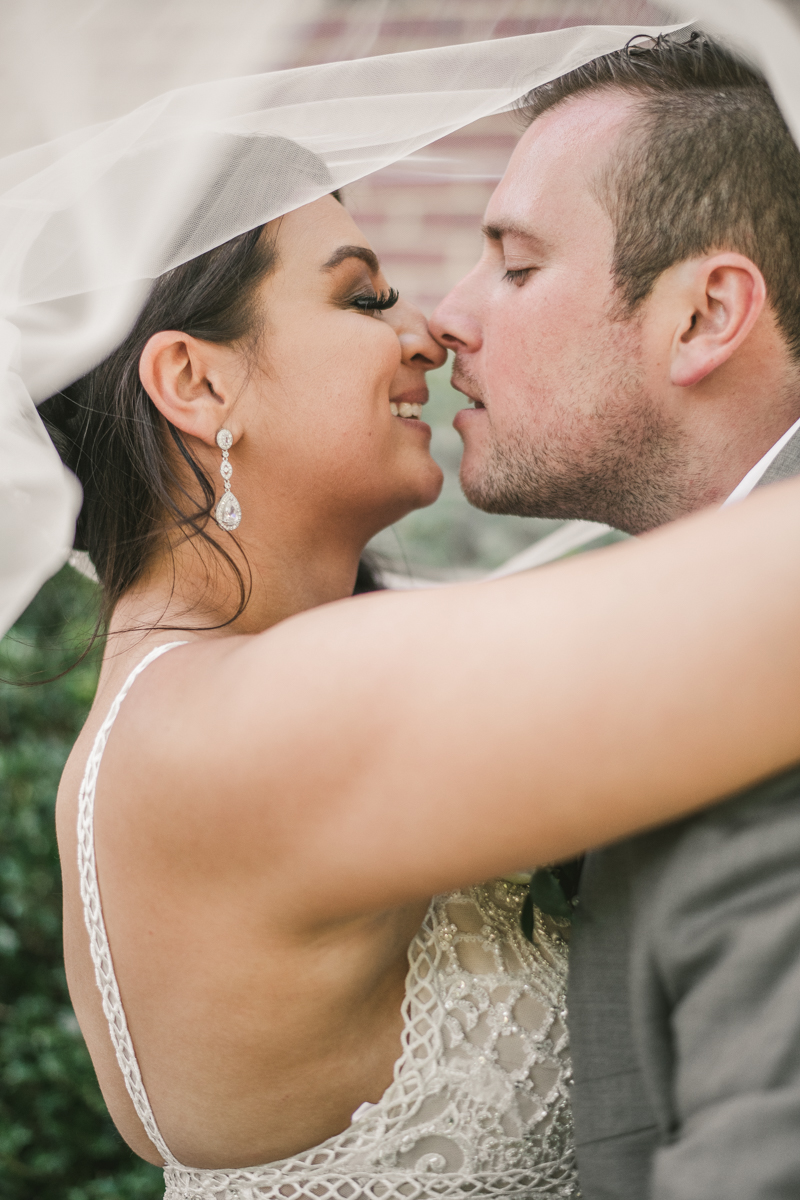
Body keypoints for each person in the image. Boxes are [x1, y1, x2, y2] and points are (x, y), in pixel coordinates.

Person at [430, 31, 800, 1199]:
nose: (446, 316)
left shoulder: (769, 694)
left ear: (701, 316)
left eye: (515, 265)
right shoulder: (660, 630)